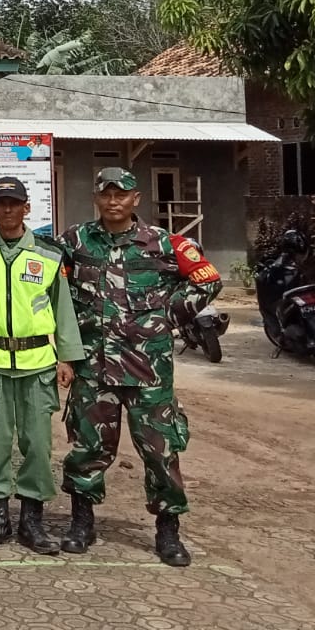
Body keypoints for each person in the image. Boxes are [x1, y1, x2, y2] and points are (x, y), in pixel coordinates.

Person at [56, 167, 222, 567]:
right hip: (93, 367)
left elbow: (207, 280)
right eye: (106, 194)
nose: (114, 201)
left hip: (148, 368)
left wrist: (166, 314)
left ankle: (168, 530)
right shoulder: (74, 242)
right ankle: (82, 522)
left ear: (137, 199)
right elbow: (53, 287)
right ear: (96, 198)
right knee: (88, 447)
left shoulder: (165, 243)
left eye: (122, 194)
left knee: (160, 450)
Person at [0, 175, 82, 555]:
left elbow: (62, 307)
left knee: (37, 445)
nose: (7, 210)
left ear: (26, 208)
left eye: (14, 203)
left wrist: (67, 357)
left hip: (37, 362)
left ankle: (32, 521)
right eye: (0, 203)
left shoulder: (49, 254)